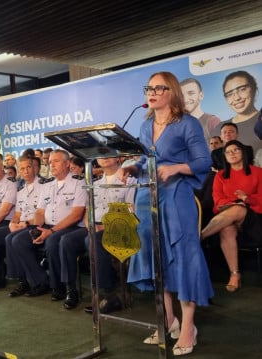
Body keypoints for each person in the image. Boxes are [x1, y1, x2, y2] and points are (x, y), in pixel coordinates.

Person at [122, 72, 213, 356]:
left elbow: (203, 161)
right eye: (149, 87)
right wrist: (133, 169)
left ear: (172, 92)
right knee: (155, 256)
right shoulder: (146, 124)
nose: (152, 92)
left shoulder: (188, 124)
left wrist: (176, 167)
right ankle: (167, 319)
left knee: (184, 258)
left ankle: (188, 326)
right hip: (147, 197)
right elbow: (143, 160)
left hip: (177, 198)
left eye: (159, 87)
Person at [9, 149, 87, 303]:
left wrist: (50, 231)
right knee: (17, 240)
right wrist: (36, 228)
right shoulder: (47, 184)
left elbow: (77, 214)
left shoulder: (79, 182)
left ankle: (64, 287)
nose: (51, 164)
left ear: (66, 164)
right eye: (50, 162)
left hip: (70, 227)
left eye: (56, 161)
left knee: (52, 242)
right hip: (47, 226)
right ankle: (40, 281)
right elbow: (40, 212)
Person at [61, 156, 136, 310]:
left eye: (109, 153)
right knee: (66, 241)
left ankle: (107, 294)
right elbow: (88, 211)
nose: (105, 157)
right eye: (101, 154)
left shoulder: (129, 181)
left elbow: (131, 211)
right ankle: (70, 289)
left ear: (118, 158)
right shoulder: (95, 184)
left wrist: (107, 227)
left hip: (118, 229)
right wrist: (90, 226)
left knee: (93, 241)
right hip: (93, 227)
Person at [201, 140, 262, 291]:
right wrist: (235, 202)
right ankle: (234, 274)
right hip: (227, 216)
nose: (232, 154)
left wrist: (246, 199)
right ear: (225, 157)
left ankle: (198, 237)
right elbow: (218, 199)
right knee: (226, 228)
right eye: (228, 152)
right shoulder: (220, 175)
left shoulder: (258, 172)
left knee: (237, 210)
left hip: (254, 219)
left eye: (235, 150)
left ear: (243, 152)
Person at [0, 156, 44, 295]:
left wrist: (26, 223)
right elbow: (17, 213)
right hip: (22, 224)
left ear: (35, 168)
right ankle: (22, 281)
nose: (26, 171)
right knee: (9, 237)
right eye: (22, 168)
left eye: (28, 167)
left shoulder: (44, 186)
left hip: (36, 224)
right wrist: (13, 223)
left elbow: (43, 213)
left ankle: (40, 282)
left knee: (16, 240)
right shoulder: (21, 189)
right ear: (19, 170)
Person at [219, 70, 261, 161]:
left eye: (242, 89)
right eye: (230, 94)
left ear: (254, 89)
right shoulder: (218, 127)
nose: (237, 98)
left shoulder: (260, 121)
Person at [180, 78, 221, 142]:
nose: (185, 99)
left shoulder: (212, 121)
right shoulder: (177, 125)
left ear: (201, 95)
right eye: (181, 95)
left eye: (191, 93)